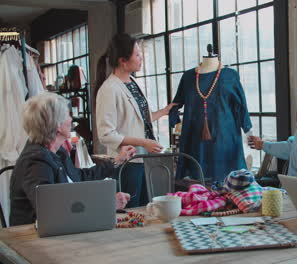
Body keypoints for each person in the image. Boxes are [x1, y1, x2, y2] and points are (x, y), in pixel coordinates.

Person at [10, 92, 136, 226]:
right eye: (67, 115)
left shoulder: (58, 152)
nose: (71, 119)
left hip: (61, 230)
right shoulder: (36, 162)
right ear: (57, 125)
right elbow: (52, 211)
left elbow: (79, 177)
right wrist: (106, 203)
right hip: (31, 238)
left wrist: (117, 160)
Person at [95, 33, 176, 207]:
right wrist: (143, 142)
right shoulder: (109, 89)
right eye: (137, 55)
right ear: (123, 60)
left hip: (144, 159)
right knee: (132, 211)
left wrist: (163, 112)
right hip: (128, 162)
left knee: (148, 208)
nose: (141, 59)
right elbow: (106, 134)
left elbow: (139, 120)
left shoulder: (132, 81)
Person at [169, 54, 252, 182]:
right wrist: (174, 120)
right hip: (196, 140)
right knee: (200, 182)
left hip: (225, 139)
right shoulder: (189, 77)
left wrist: (247, 129)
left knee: (227, 182)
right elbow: (176, 103)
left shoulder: (230, 75)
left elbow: (240, 104)